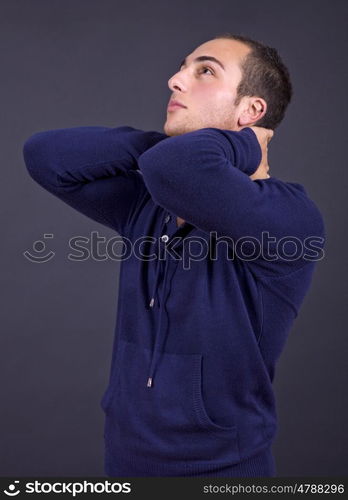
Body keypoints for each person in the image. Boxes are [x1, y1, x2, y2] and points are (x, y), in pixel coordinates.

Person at [22, 33, 325, 477]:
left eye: (204, 71)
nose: (175, 80)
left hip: (222, 472)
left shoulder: (289, 217)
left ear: (251, 110)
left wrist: (239, 142)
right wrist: (172, 145)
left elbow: (176, 168)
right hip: (124, 465)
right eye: (183, 67)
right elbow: (45, 156)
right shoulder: (148, 201)